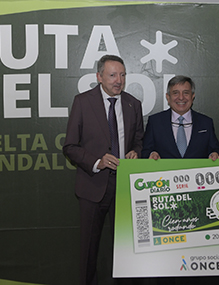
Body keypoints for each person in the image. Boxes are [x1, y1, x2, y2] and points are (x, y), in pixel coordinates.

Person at [63, 55, 144, 285]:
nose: (118, 80)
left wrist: (136, 152)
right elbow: (69, 146)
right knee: (89, 250)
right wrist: (97, 162)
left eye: (122, 75)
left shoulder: (133, 104)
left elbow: (139, 140)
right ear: (99, 77)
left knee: (127, 248)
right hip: (92, 186)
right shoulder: (82, 102)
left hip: (126, 188)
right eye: (112, 75)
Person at [142, 75, 219, 160]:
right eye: (175, 93)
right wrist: (152, 154)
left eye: (186, 93)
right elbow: (145, 152)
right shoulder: (155, 122)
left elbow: (216, 150)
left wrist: (214, 154)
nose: (181, 97)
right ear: (168, 97)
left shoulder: (206, 123)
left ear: (192, 96)